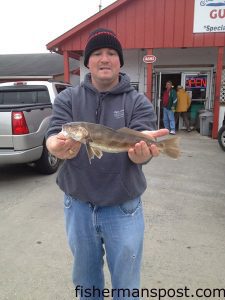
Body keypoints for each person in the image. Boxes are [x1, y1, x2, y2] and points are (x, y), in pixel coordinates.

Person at [46, 28, 169, 300]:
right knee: (86, 283)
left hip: (123, 207)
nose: (104, 58)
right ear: (87, 61)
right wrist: (54, 145)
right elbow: (55, 133)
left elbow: (142, 142)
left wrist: (144, 153)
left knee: (126, 286)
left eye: (111, 53)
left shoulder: (138, 101)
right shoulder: (68, 99)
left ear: (120, 61)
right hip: (78, 205)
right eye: (98, 53)